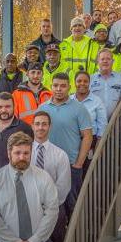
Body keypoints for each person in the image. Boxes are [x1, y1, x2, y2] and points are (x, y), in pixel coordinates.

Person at [0, 132, 59, 242]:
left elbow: (52, 212)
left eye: (26, 153)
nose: (22, 157)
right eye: (17, 153)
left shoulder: (44, 178)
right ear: (8, 153)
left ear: (31, 153)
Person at [38, 72, 93, 219]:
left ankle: (74, 239)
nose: (58, 89)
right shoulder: (42, 108)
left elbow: (87, 136)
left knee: (72, 205)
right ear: (51, 86)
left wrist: (79, 164)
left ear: (69, 87)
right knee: (46, 204)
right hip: (46, 165)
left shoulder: (79, 108)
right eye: (55, 85)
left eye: (63, 86)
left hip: (71, 165)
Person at [31, 111, 71, 242]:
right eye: (37, 124)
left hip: (54, 207)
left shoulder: (60, 155)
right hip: (28, 208)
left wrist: (47, 206)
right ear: (32, 126)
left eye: (44, 124)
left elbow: (63, 186)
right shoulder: (23, 153)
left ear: (49, 127)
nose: (40, 127)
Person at [0, 92, 33, 175]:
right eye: (0, 107)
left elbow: (31, 156)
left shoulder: (25, 129)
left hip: (16, 181)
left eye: (7, 106)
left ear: (14, 107)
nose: (3, 110)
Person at [71, 71, 107, 177]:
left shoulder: (97, 101)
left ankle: (85, 194)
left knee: (86, 172)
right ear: (74, 83)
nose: (82, 83)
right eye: (79, 81)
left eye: (85, 81)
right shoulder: (69, 100)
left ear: (89, 83)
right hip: (72, 140)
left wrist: (97, 145)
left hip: (90, 142)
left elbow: (103, 125)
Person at [90, 48, 121, 119]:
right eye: (102, 59)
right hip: (95, 121)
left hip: (116, 121)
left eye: (108, 59)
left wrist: (115, 116)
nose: (105, 61)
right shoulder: (91, 79)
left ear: (113, 61)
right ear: (98, 61)